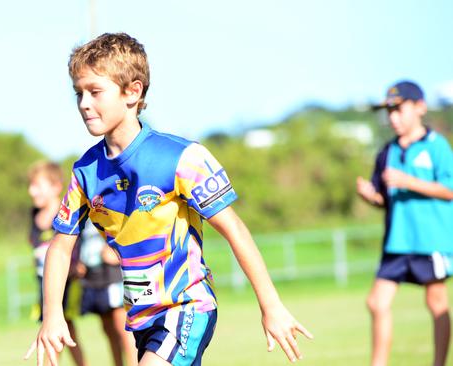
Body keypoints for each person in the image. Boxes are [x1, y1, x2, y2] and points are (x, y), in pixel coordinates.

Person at [24, 32, 312, 366]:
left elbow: (234, 229)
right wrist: (52, 315)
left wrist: (271, 305)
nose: (84, 103)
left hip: (187, 307)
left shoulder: (181, 158)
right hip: (141, 318)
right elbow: (60, 247)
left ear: (133, 92)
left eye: (95, 92)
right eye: (79, 93)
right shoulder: (85, 172)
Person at [357, 80, 453, 366]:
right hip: (397, 241)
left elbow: (449, 189)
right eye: (389, 111)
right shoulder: (386, 152)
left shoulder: (436, 146)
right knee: (376, 302)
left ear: (420, 108)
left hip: (429, 240)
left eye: (399, 110)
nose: (393, 117)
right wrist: (370, 196)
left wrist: (408, 181)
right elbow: (384, 198)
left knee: (436, 304)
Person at [27, 161, 86, 366]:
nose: (31, 191)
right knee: (62, 329)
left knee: (60, 326)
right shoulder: (33, 215)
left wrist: (77, 264)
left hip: (67, 282)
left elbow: (73, 243)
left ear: (55, 187)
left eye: (37, 185)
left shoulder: (65, 213)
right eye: (30, 186)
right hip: (43, 281)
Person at [77, 221, 137, 366]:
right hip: (93, 275)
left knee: (123, 327)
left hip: (112, 273)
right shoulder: (82, 202)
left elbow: (130, 225)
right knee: (108, 329)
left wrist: (116, 251)